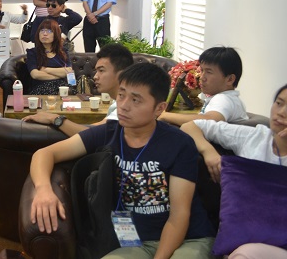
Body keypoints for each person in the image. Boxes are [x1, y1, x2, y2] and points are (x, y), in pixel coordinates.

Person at [29, 63, 215, 258]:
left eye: (135, 100)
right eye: (121, 95)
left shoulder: (179, 144)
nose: (124, 105)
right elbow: (44, 154)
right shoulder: (108, 133)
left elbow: (179, 216)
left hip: (188, 239)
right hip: (136, 242)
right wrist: (43, 190)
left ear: (159, 108)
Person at [181, 84, 287, 258]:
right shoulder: (253, 137)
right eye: (279, 103)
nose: (281, 112)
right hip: (243, 242)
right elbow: (190, 126)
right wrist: (208, 152)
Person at [23, 43, 134, 136]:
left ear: (121, 74)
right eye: (96, 71)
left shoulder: (127, 108)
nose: (95, 77)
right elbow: (96, 130)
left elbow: (92, 135)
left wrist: (54, 119)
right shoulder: (117, 103)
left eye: (101, 71)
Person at [159, 46, 248, 126]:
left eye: (209, 72)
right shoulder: (230, 99)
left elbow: (209, 121)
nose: (202, 77)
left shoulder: (223, 99)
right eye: (202, 70)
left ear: (230, 79)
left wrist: (165, 116)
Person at [26, 19, 72, 95]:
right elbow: (35, 74)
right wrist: (60, 75)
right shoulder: (32, 52)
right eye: (42, 30)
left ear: (56, 34)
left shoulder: (63, 52)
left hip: (63, 87)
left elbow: (69, 71)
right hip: (41, 87)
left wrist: (46, 69)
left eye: (49, 31)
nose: (45, 34)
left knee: (70, 93)